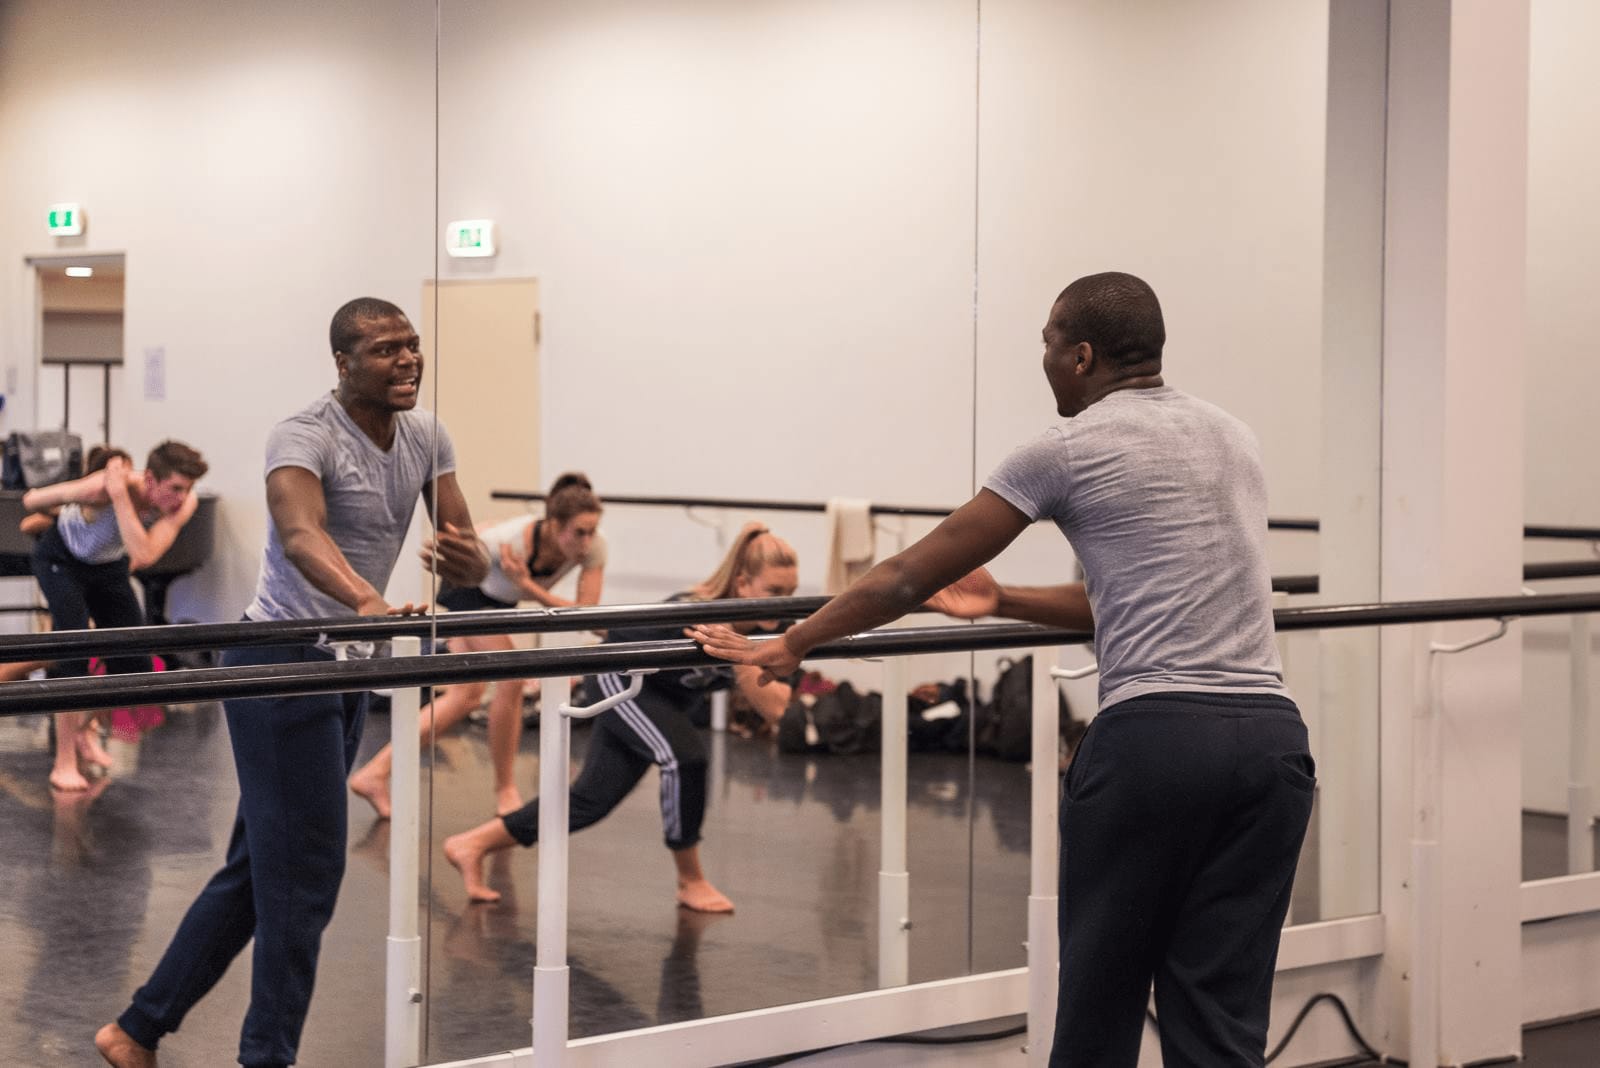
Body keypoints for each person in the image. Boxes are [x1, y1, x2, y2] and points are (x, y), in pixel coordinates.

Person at [691, 273, 1314, 1067]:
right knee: (1221, 1024)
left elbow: (906, 576)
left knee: (1099, 1001)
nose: (1045, 359)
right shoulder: (1235, 436)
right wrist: (1006, 597)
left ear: (1082, 356)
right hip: (1270, 746)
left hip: (1154, 747)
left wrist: (796, 642)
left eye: (1049, 344)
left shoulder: (1066, 449)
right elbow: (1127, 601)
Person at [94, 297, 490, 1068]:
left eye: (412, 346)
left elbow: (462, 537)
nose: (407, 360)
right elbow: (302, 533)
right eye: (386, 351)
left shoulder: (426, 434)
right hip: (279, 662)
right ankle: (264, 1058)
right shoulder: (303, 435)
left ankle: (135, 1030)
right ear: (343, 364)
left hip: (342, 666)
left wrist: (476, 564)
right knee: (305, 877)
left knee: (261, 871)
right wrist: (368, 602)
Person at [444, 521, 797, 913]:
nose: (784, 603)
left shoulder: (777, 626)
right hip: (621, 681)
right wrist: (529, 589)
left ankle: (471, 844)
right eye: (775, 592)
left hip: (663, 702)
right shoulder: (695, 612)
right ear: (744, 584)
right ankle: (690, 881)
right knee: (685, 757)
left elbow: (777, 707)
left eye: (792, 593)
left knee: (591, 800)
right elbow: (602, 623)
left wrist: (746, 651)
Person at [350, 471, 607, 818]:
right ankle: (505, 789)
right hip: (465, 590)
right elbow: (453, 552)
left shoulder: (593, 548)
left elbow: (587, 613)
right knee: (513, 677)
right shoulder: (509, 543)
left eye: (592, 531)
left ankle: (375, 773)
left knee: (465, 697)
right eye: (579, 532)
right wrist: (467, 542)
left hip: (501, 600)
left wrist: (529, 587)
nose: (587, 542)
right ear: (553, 524)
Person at [23, 440, 208, 792]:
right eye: (176, 488)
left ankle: (84, 731)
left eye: (188, 489)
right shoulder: (99, 488)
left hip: (108, 564)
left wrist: (121, 496)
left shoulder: (180, 502)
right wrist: (85, 496)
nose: (182, 498)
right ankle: (63, 761)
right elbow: (32, 499)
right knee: (72, 652)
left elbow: (144, 553)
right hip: (61, 560)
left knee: (134, 660)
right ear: (150, 479)